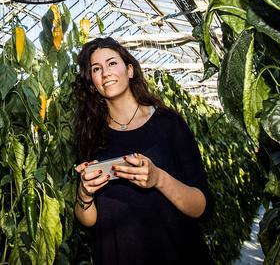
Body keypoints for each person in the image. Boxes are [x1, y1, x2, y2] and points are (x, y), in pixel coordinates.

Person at [73, 37, 213, 264]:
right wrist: (84, 193)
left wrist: (159, 179)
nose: (105, 72)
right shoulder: (90, 135)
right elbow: (88, 220)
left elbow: (202, 207)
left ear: (129, 70)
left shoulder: (169, 124)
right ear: (92, 82)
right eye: (96, 69)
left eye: (112, 63)